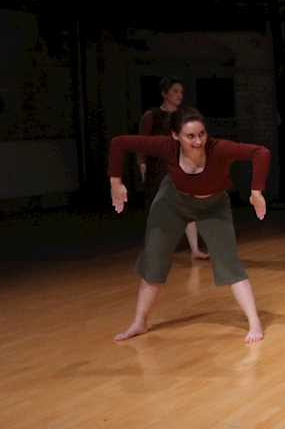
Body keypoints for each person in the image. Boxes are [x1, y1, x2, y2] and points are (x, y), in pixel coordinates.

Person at [108, 108, 271, 344]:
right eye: (190, 136)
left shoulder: (219, 149)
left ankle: (254, 322)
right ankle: (140, 322)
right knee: (154, 258)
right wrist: (115, 182)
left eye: (202, 134)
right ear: (175, 136)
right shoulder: (167, 147)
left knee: (229, 261)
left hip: (213, 206)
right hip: (172, 202)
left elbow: (261, 153)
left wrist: (256, 192)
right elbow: (119, 143)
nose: (198, 141)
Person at [137, 76, 207, 261]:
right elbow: (143, 142)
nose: (179, 95)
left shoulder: (184, 117)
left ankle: (194, 249)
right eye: (175, 91)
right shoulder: (151, 116)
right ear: (164, 93)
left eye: (181, 92)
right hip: (158, 168)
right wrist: (142, 163)